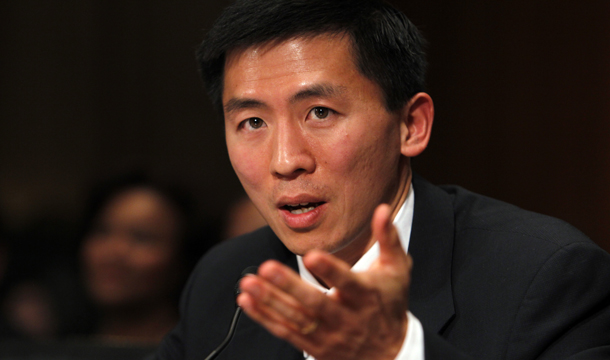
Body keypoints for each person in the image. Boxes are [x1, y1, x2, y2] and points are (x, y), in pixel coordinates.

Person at [155, 0, 610, 359]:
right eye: (253, 122)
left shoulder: (545, 275)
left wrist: (397, 354)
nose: (286, 160)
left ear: (411, 125)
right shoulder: (227, 282)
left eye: (320, 113)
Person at [79, 173, 211, 345]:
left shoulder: (203, 350)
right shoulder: (59, 346)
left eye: (141, 238)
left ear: (181, 258)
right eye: (102, 231)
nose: (113, 252)